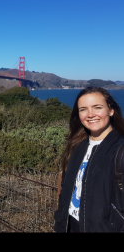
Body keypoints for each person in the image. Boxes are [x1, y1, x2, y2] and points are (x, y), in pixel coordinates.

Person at [54, 87, 124, 232]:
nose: (90, 114)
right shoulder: (76, 145)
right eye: (83, 109)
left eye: (97, 107)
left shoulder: (120, 150)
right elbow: (66, 187)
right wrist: (59, 223)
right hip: (69, 226)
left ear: (111, 110)